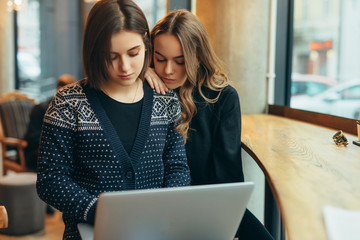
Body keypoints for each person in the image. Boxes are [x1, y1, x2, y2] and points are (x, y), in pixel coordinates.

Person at [36, 1, 190, 239]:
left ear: (146, 46)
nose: (125, 66)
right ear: (95, 52)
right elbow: (50, 179)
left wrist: (165, 210)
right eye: (112, 56)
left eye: (133, 53)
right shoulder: (68, 102)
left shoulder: (165, 100)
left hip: (155, 233)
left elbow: (177, 166)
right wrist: (103, 212)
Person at [145, 9, 274, 240]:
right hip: (155, 207)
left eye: (180, 61)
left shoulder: (223, 98)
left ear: (198, 56)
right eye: (160, 59)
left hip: (209, 207)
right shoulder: (145, 90)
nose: (167, 70)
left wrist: (225, 223)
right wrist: (141, 72)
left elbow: (228, 178)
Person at [24, 74, 76, 172]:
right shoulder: (41, 108)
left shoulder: (72, 111)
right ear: (59, 89)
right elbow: (33, 137)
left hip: (61, 152)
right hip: (38, 151)